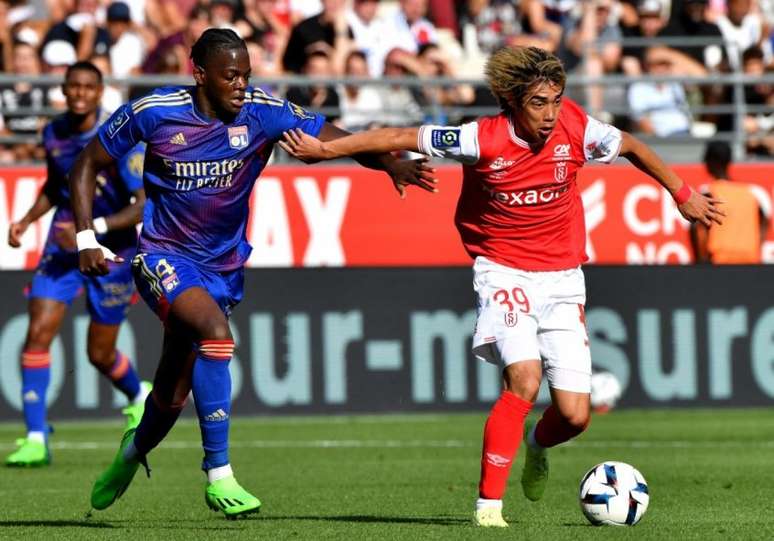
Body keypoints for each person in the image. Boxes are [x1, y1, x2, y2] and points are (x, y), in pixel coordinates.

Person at [278, 46, 723, 528]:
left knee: (574, 416)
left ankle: (536, 446)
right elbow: (399, 134)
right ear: (512, 101)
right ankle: (488, 509)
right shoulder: (480, 139)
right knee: (525, 380)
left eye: (555, 100)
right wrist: (325, 150)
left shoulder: (576, 126)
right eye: (538, 103)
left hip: (563, 279)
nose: (550, 114)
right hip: (504, 271)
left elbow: (633, 146)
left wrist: (682, 194)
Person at [68, 28, 434, 519]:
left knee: (173, 391)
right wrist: (86, 239)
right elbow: (85, 166)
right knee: (216, 336)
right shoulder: (153, 112)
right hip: (163, 257)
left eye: (246, 74)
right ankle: (219, 475)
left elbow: (331, 138)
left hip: (222, 266)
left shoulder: (263, 111)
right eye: (230, 75)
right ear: (199, 74)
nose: (241, 84)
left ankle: (132, 453)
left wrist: (388, 163)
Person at [5, 61, 149, 468]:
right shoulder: (53, 133)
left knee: (99, 354)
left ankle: (138, 396)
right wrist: (27, 220)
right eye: (73, 86)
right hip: (63, 245)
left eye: (88, 87)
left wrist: (94, 228)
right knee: (38, 331)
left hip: (113, 250)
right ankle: (35, 437)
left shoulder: (119, 139)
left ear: (100, 92)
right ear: (64, 91)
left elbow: (141, 206)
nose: (80, 93)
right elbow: (56, 186)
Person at [691, 141, 769, 263]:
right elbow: (765, 221)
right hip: (749, 260)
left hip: (719, 260)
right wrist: (757, 244)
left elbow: (695, 227)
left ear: (711, 161)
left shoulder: (710, 193)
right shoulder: (749, 193)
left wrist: (701, 260)